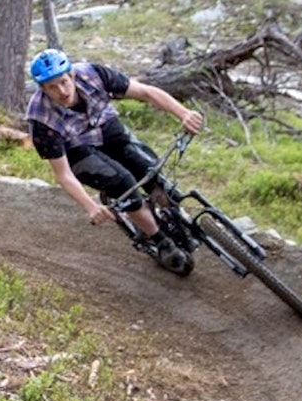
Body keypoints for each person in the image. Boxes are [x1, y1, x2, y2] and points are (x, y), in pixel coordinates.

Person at [25, 48, 205, 273]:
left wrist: (184, 113)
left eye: (63, 82)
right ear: (43, 89)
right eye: (52, 87)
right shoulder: (40, 119)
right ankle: (159, 240)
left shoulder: (95, 74)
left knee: (150, 170)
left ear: (71, 75)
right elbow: (63, 174)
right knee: (123, 183)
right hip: (77, 148)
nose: (62, 91)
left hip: (107, 129)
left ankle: (174, 213)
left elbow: (146, 93)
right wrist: (90, 207)